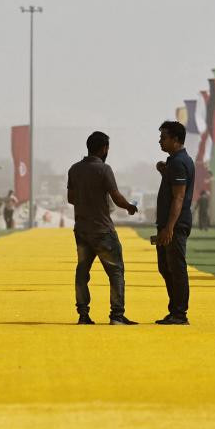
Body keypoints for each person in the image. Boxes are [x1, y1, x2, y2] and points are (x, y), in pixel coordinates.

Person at [67, 131, 139, 325]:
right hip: (102, 230)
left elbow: (70, 198)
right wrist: (129, 207)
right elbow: (116, 196)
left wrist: (86, 199)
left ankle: (83, 315)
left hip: (82, 230)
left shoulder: (74, 169)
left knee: (82, 271)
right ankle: (117, 315)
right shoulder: (104, 170)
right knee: (116, 271)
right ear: (104, 149)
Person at [154, 120, 194, 325]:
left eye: (164, 138)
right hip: (168, 224)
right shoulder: (173, 162)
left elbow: (179, 197)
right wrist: (164, 171)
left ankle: (180, 313)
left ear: (176, 140)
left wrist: (169, 227)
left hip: (175, 226)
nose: (160, 141)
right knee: (166, 267)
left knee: (176, 267)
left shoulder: (179, 162)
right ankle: (175, 310)